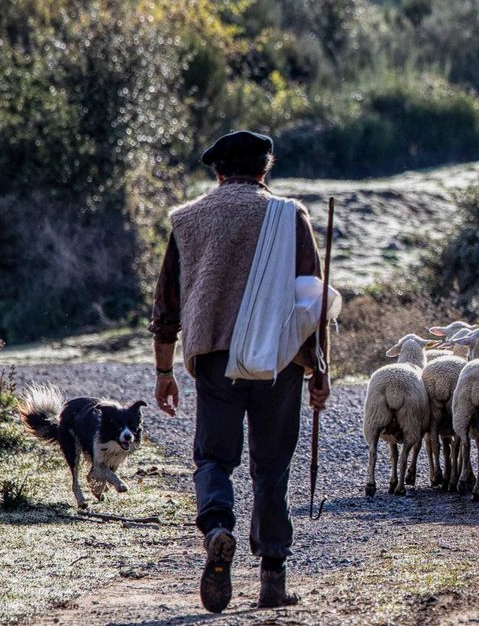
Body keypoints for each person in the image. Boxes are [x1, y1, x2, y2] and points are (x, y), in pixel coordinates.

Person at [149, 131, 331, 613]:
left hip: (213, 357)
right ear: (265, 170)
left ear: (219, 172)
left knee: (213, 459)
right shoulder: (289, 215)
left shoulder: (188, 219)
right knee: (271, 466)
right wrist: (319, 369)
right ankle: (272, 578)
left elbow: (167, 301)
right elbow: (310, 300)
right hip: (278, 360)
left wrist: (164, 370)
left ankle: (217, 528)